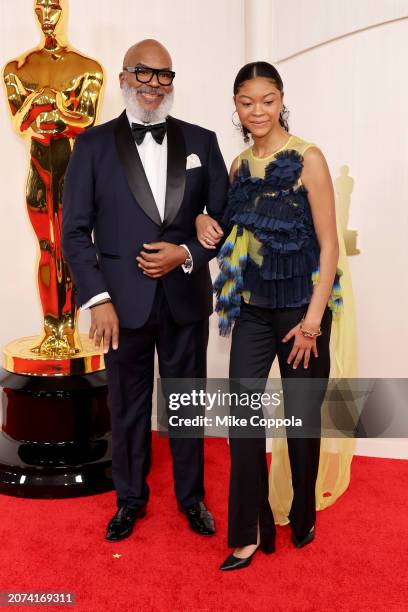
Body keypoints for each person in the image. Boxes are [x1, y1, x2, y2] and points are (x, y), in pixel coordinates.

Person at [61, 39, 228, 542]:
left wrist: (189, 255)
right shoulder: (90, 146)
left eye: (164, 76)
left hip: (184, 299)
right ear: (124, 78)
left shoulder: (202, 140)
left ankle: (191, 497)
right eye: (144, 73)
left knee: (185, 401)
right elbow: (73, 231)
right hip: (119, 305)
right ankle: (130, 500)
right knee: (128, 406)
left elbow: (225, 214)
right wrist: (99, 300)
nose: (154, 85)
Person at [196, 61, 342, 571]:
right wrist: (202, 220)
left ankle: (303, 515)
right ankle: (250, 532)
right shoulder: (237, 166)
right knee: (244, 423)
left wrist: (312, 322)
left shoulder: (308, 158)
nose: (258, 111)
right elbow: (230, 231)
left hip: (303, 314)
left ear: (282, 100)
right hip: (253, 314)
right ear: (235, 105)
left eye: (268, 100)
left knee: (301, 425)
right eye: (246, 101)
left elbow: (330, 248)